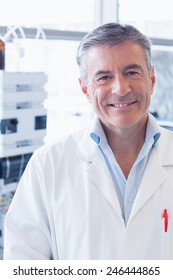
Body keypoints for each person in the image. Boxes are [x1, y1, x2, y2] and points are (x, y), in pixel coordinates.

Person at [3, 22, 173, 260]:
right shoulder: (48, 165)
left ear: (152, 79)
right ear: (84, 88)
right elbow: (22, 264)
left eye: (132, 72)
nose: (121, 88)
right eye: (104, 77)